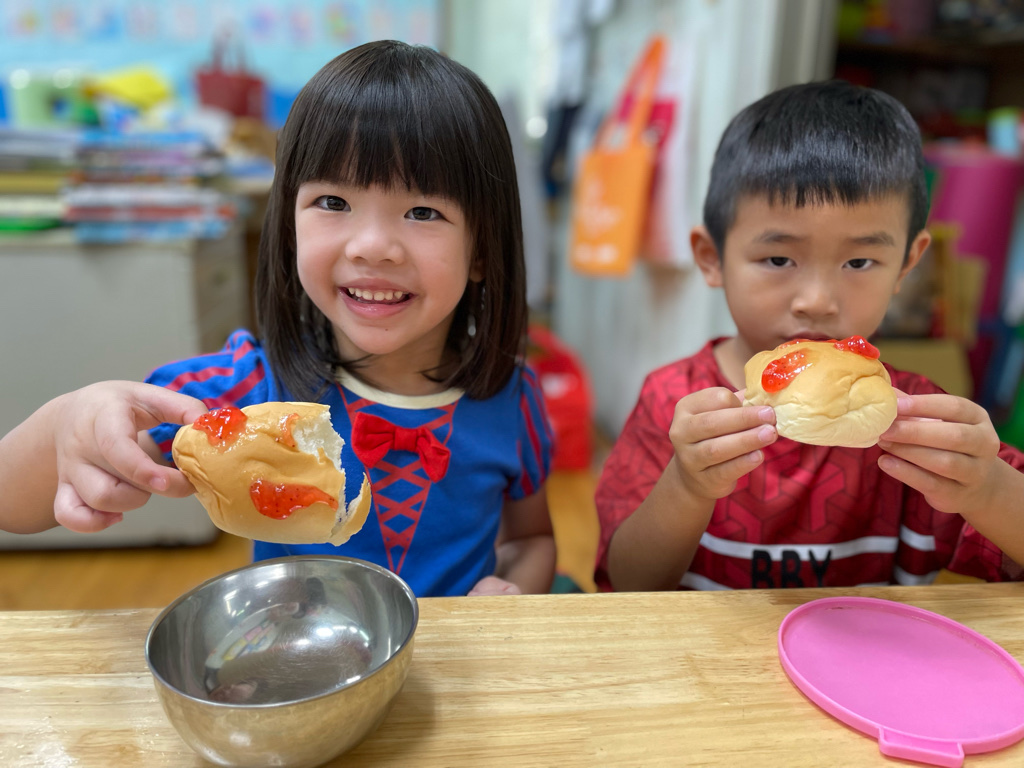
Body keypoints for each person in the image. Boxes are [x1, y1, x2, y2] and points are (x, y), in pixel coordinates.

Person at [0, 40, 556, 599]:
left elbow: (531, 540)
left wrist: (510, 592)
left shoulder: (515, 399)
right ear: (290, 226)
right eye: (333, 203)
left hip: (457, 655)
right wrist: (68, 423)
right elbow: (9, 503)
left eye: (423, 211)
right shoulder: (240, 395)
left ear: (481, 250)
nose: (371, 246)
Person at [595, 79, 1024, 592]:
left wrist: (987, 486)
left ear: (907, 265)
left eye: (859, 262)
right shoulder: (674, 401)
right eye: (779, 259)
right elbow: (626, 584)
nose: (817, 301)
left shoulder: (916, 413)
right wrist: (687, 485)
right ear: (712, 258)